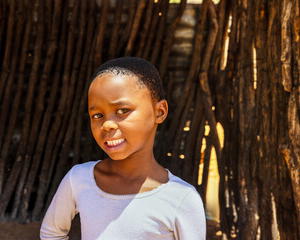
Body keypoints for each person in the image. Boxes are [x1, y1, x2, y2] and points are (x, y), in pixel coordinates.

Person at [40, 57, 206, 239]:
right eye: (97, 115)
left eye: (122, 111)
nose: (107, 125)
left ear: (160, 112)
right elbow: (51, 233)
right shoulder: (79, 180)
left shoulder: (181, 199)